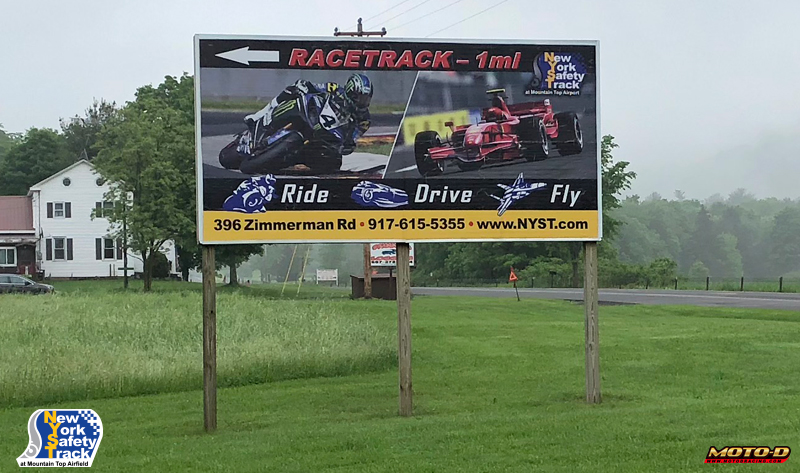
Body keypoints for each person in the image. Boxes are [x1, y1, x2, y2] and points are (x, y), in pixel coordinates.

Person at [243, 73, 373, 155]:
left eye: (367, 98)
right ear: (351, 93)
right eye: (361, 98)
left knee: (333, 165)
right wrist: (305, 87)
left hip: (329, 137)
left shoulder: (364, 120)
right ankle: (260, 115)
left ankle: (292, 158)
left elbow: (353, 138)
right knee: (294, 88)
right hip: (315, 117)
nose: (363, 102)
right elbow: (315, 87)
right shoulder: (335, 89)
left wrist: (347, 145)